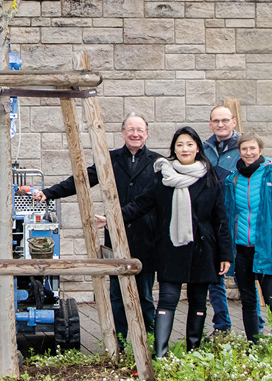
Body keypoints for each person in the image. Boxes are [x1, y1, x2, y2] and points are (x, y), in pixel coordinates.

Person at [97, 126, 233, 358]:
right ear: (174, 149)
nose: (184, 149)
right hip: (171, 248)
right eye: (179, 145)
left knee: (198, 301)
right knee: (167, 299)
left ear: (197, 147)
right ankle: (160, 353)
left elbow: (221, 219)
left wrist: (226, 254)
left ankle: (193, 352)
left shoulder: (211, 177)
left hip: (203, 249)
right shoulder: (164, 177)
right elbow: (141, 204)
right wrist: (112, 218)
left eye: (189, 144)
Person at [34, 112, 161, 346]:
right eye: (130, 129)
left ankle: (151, 342)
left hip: (146, 237)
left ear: (146, 133)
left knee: (144, 295)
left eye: (139, 130)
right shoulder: (109, 159)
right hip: (115, 238)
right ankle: (120, 343)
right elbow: (81, 180)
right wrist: (49, 193)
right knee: (117, 295)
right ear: (123, 133)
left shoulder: (158, 162)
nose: (135, 134)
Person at [224, 133, 272, 344]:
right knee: (248, 301)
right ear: (239, 151)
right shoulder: (232, 180)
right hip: (242, 249)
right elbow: (227, 216)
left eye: (253, 148)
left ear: (260, 150)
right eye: (244, 149)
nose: (249, 153)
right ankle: (253, 344)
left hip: (268, 250)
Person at [203, 105, 264, 335]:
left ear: (234, 122)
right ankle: (222, 326)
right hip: (212, 223)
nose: (220, 124)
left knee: (244, 278)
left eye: (225, 120)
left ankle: (256, 325)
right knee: (215, 277)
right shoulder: (205, 148)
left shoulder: (243, 148)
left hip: (237, 224)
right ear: (210, 123)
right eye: (216, 120)